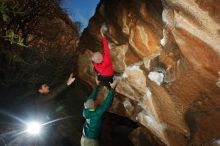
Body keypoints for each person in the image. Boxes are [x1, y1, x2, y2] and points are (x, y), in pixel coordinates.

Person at [81, 78, 118, 146]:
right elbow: (105, 105)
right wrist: (112, 89)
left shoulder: (87, 109)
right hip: (90, 141)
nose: (96, 101)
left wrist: (97, 85)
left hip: (85, 138)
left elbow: (91, 99)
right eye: (95, 102)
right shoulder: (96, 113)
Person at [91, 24, 114, 89]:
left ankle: (107, 86)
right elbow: (105, 47)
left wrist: (98, 74)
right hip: (111, 74)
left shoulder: (96, 65)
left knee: (99, 76)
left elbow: (95, 63)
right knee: (108, 79)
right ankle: (111, 83)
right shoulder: (106, 57)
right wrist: (103, 36)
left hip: (104, 77)